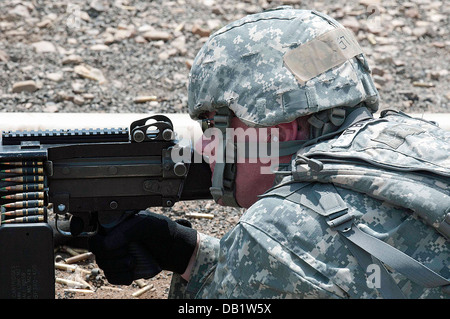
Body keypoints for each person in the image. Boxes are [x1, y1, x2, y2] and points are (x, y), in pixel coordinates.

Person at [89, 7, 449, 299]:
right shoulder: (431, 142)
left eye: (215, 125)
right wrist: (186, 252)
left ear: (281, 129)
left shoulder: (279, 230)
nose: (205, 146)